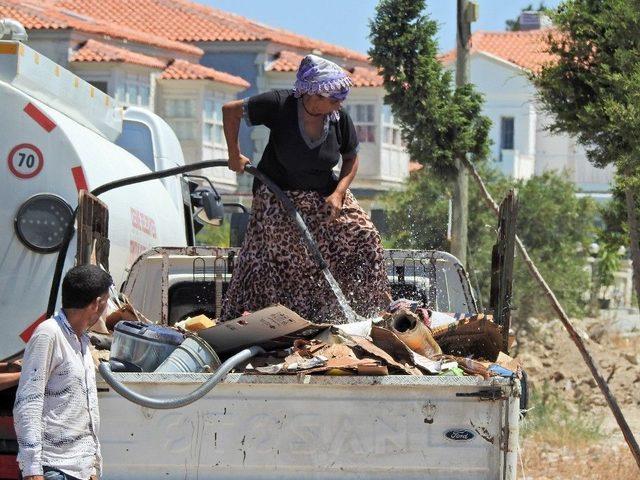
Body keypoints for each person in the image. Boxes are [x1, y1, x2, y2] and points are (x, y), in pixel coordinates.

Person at [220, 54, 390, 323]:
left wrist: (339, 193)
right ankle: (285, 322)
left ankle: (369, 312)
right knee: (291, 259)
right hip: (277, 195)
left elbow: (351, 158)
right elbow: (231, 110)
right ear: (313, 93)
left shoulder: (337, 118)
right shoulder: (280, 104)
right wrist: (234, 154)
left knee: (365, 235)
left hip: (324, 195)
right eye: (333, 98)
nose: (338, 104)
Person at [14, 265, 112, 480]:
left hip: (82, 468)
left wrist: (93, 466)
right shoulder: (49, 334)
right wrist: (32, 470)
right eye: (106, 303)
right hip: (55, 469)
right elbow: (28, 402)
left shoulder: (81, 341)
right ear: (97, 304)